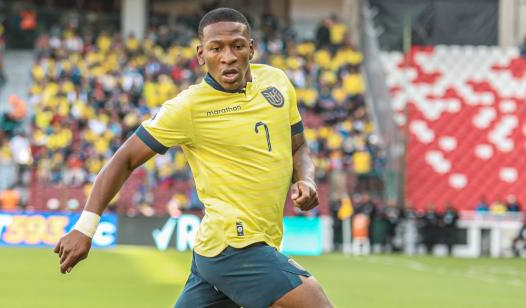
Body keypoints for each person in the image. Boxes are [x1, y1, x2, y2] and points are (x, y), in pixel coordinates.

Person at [54, 8, 332, 308]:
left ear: (251, 48)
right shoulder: (187, 107)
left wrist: (305, 178)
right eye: (216, 48)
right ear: (201, 54)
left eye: (237, 46)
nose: (227, 56)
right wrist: (85, 228)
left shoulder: (276, 81)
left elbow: (299, 147)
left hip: (221, 252)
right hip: (234, 248)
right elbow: (124, 160)